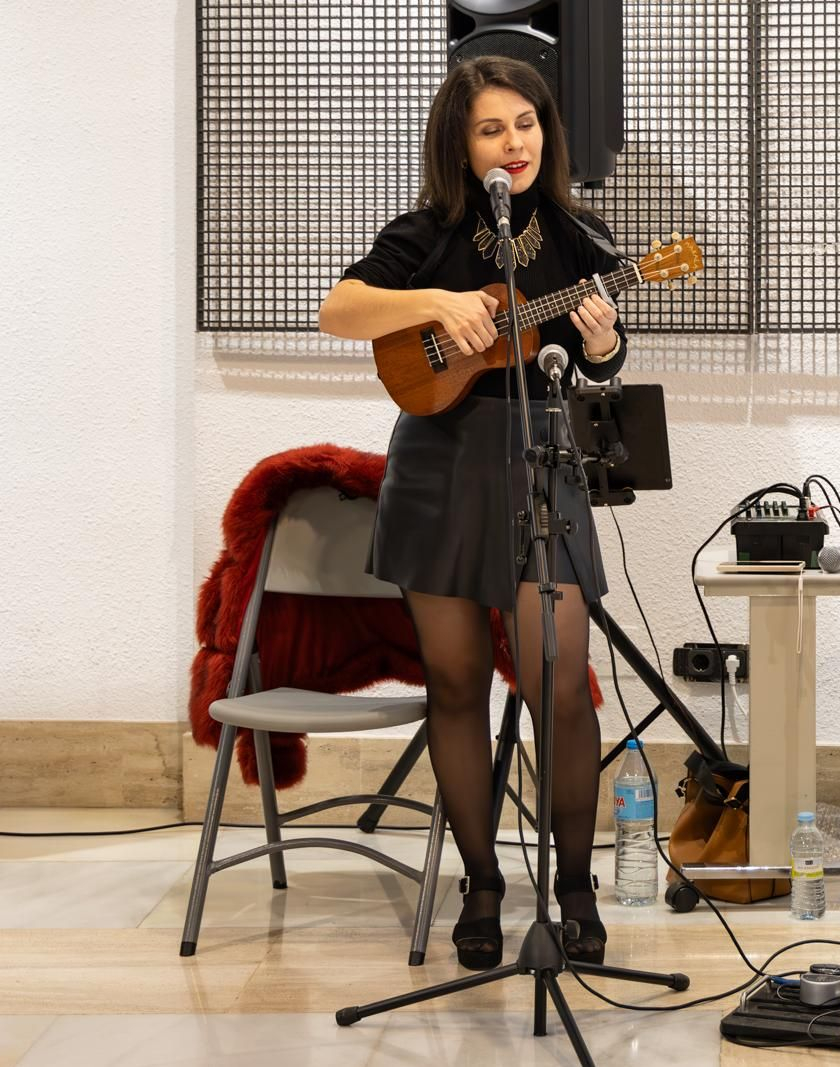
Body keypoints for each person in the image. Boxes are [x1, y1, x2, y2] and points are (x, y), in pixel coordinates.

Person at [318, 56, 626, 970]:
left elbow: (601, 360)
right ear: (462, 143)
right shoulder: (426, 231)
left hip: (540, 457)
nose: (514, 143)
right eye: (492, 129)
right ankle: (482, 882)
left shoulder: (580, 235)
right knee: (456, 686)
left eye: (525, 124)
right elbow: (342, 309)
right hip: (440, 466)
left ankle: (574, 885)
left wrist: (605, 344)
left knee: (560, 687)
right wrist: (442, 301)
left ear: (546, 130)